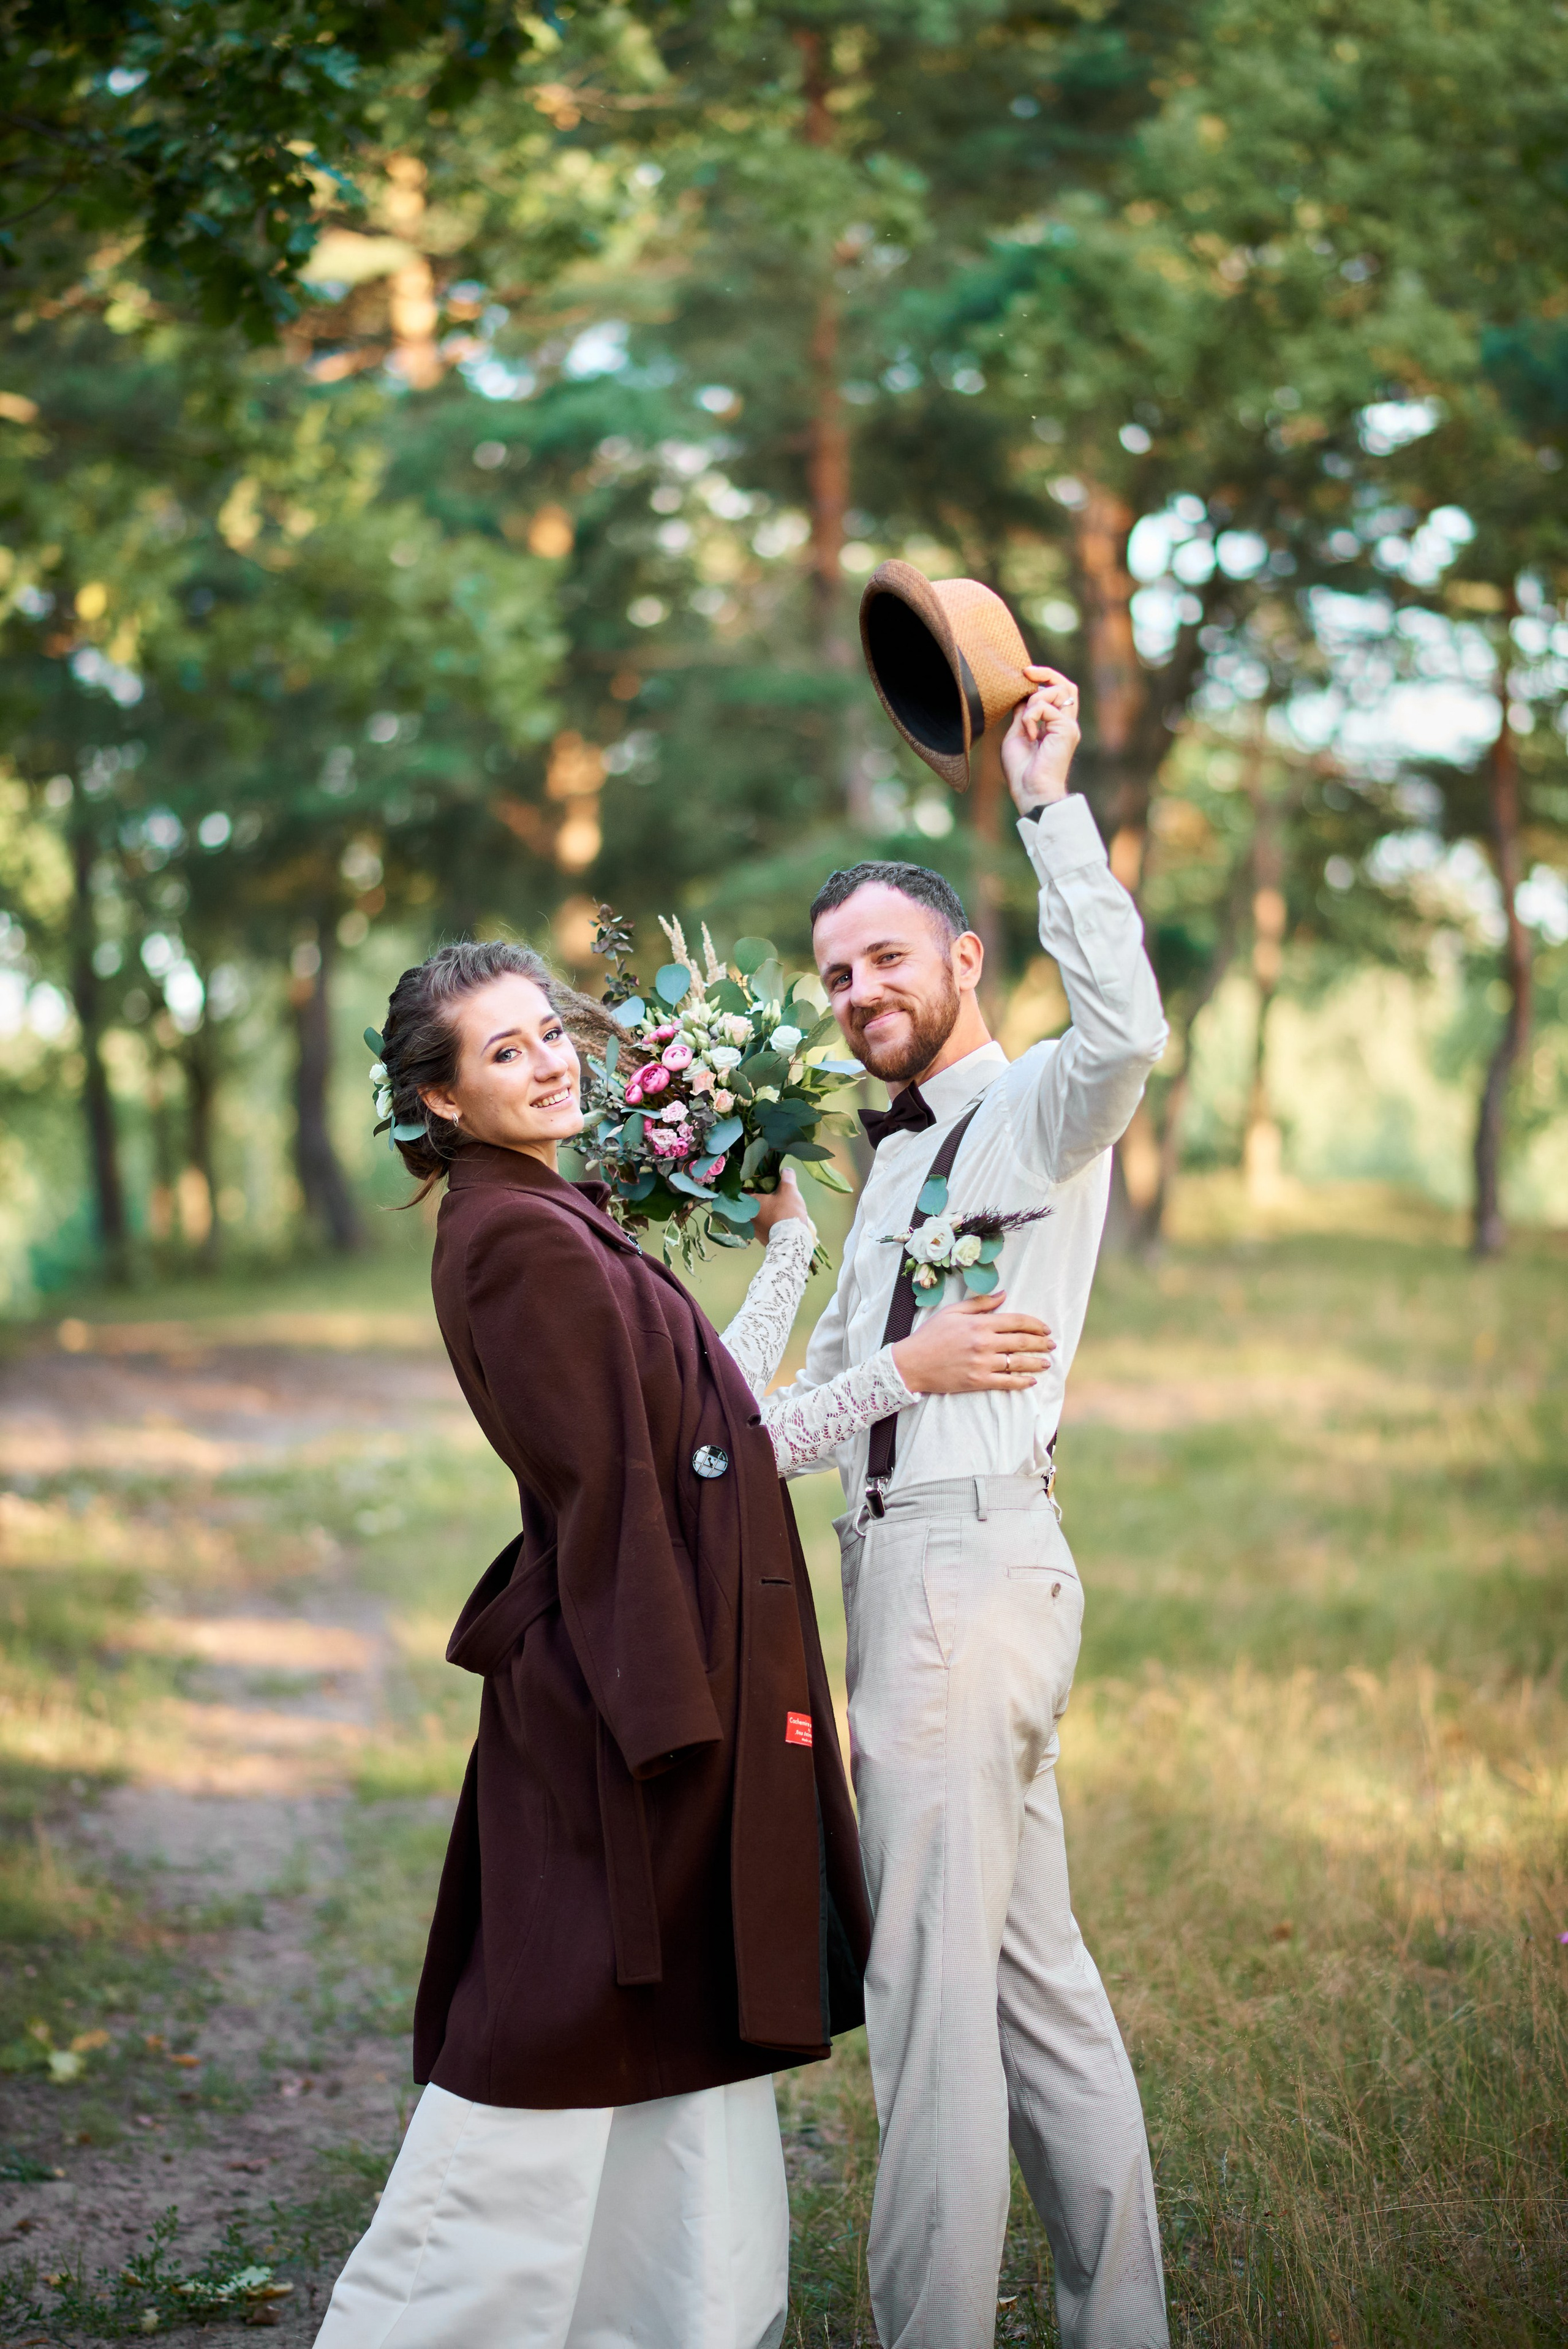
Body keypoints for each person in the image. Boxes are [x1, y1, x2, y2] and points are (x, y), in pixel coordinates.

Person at [314, 938, 1052, 2349]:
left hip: (660, 1652)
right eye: (504, 1051)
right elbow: (666, 1477)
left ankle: (671, 2318)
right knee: (556, 2010)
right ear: (441, 1101)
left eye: (548, 1033)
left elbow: (698, 1409)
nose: (547, 1062)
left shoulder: (550, 1212)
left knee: (674, 2016)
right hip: (622, 1679)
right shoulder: (513, 1242)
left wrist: (785, 1252)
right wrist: (901, 1370)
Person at [772, 665, 1172, 2349]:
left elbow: (1132, 1030)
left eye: (886, 957)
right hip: (917, 1580)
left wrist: (1043, 803)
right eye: (835, 972)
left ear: (964, 962)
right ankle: (1121, 2326)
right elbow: (834, 1407)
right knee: (1033, 1992)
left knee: (930, 2008)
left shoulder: (1033, 1111)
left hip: (967, 1577)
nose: (860, 987)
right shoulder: (889, 1169)